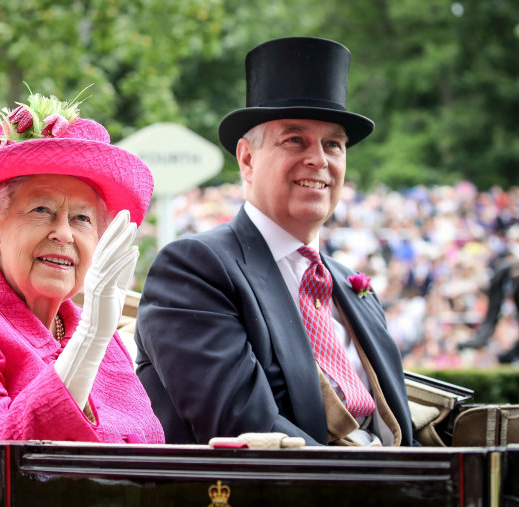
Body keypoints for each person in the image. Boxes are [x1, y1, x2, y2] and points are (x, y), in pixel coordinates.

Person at [135, 37, 413, 446]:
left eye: (332, 144)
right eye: (295, 140)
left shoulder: (354, 287)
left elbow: (400, 433)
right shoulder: (196, 269)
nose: (318, 159)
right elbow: (244, 429)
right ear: (247, 159)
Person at [0, 88, 164, 444]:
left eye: (82, 218)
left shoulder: (96, 330)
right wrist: (88, 341)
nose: (64, 234)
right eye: (42, 210)